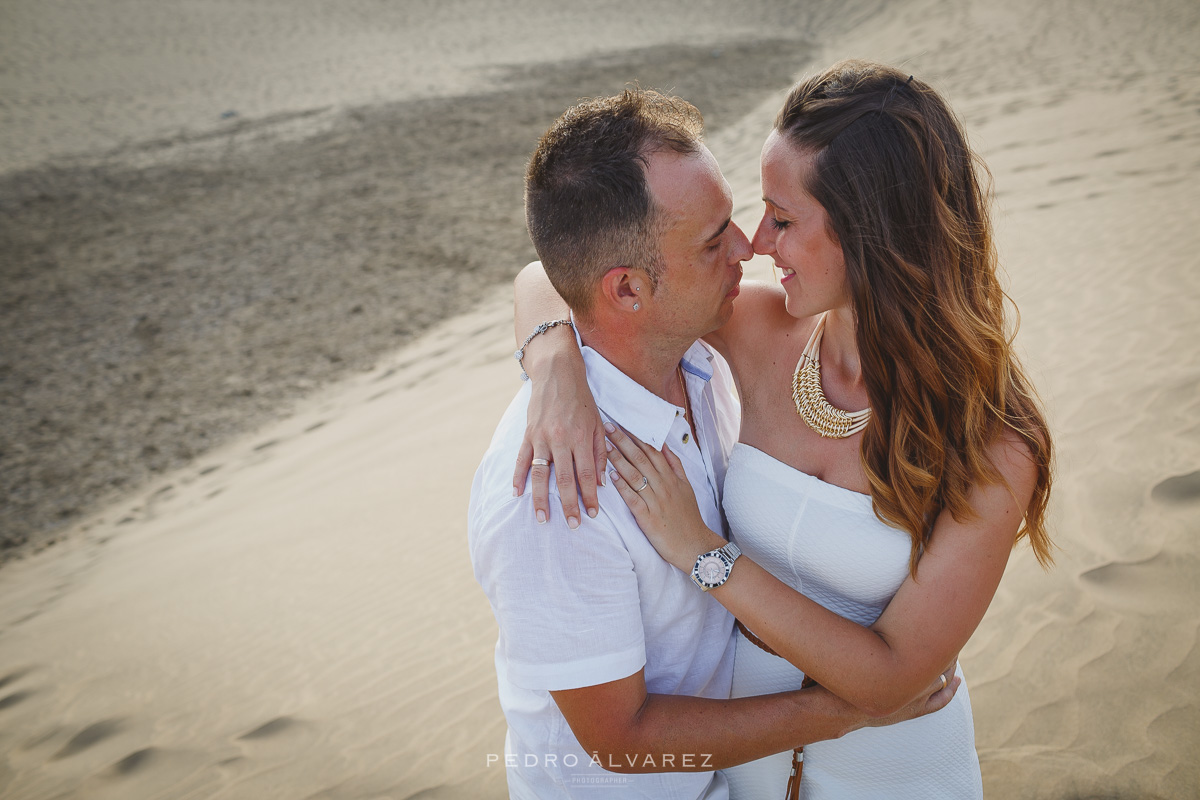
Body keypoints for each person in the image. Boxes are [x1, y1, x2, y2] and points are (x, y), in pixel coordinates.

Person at [513, 60, 1054, 798]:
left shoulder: (991, 440)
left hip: (892, 762)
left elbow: (896, 675)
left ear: (871, 235)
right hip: (749, 753)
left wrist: (706, 555)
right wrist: (553, 365)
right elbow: (567, 271)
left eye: (784, 218)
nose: (757, 242)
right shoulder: (761, 330)